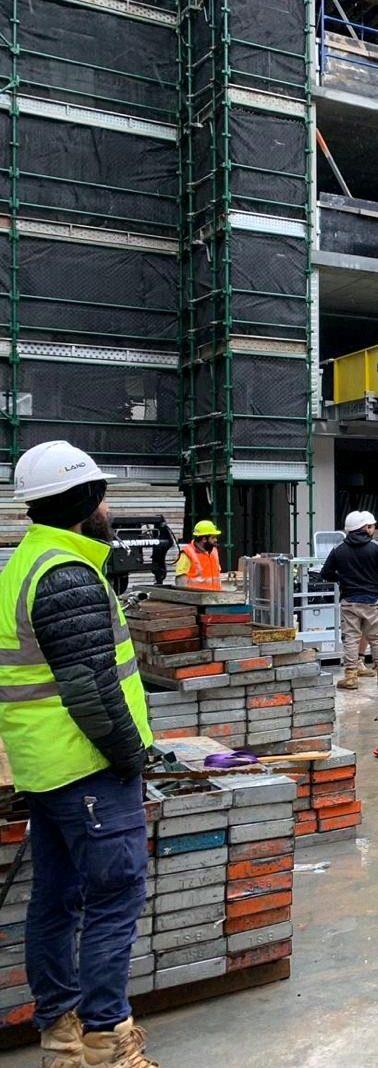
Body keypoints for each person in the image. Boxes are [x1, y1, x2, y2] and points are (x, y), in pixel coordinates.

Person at [0, 441, 157, 1067]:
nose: (109, 506)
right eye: (103, 495)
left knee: (56, 898)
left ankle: (60, 1036)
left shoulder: (25, 563)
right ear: (85, 501)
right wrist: (129, 756)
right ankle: (106, 1042)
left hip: (48, 767)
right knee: (114, 899)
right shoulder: (66, 574)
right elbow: (91, 689)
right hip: (88, 766)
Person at [321, 510, 378, 690]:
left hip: (349, 600)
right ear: (363, 527)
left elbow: (325, 573)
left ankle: (351, 677)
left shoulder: (339, 549)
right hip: (371, 600)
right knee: (376, 637)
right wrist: (376, 587)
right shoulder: (375, 547)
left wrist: (341, 579)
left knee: (351, 639)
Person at [173, 519, 222, 590]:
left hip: (214, 598)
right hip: (195, 599)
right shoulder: (187, 553)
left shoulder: (214, 552)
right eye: (213, 537)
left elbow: (217, 576)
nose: (216, 540)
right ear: (204, 539)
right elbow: (181, 582)